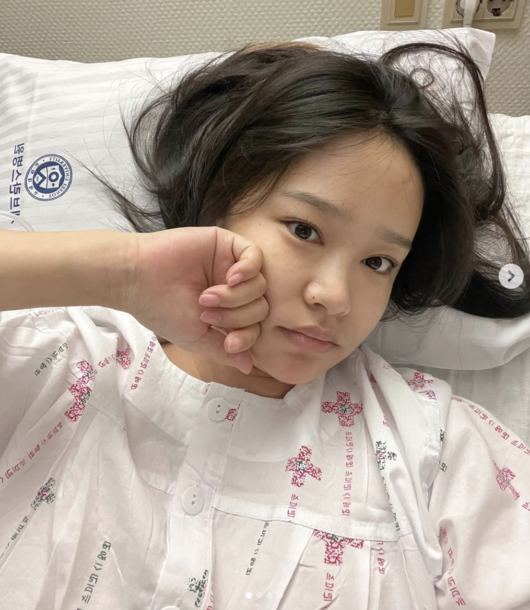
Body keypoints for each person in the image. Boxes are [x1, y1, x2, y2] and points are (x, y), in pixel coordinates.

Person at [1, 38, 529, 610]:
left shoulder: (434, 445)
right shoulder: (55, 364)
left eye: (378, 262)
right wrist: (118, 273)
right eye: (304, 230)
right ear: (218, 203)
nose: (335, 297)